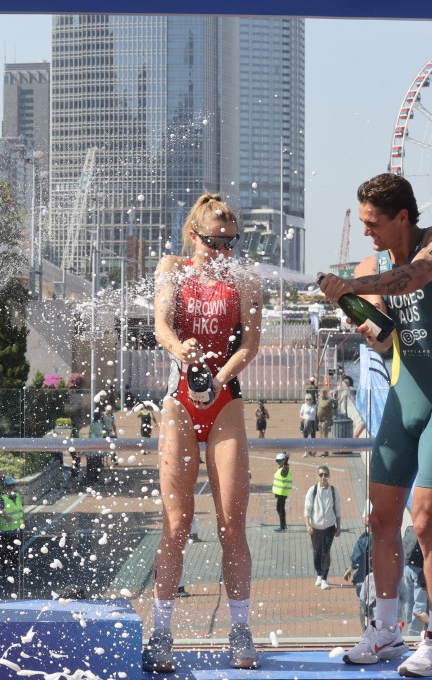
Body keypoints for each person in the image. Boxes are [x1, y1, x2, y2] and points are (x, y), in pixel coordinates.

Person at [319, 173, 432, 676]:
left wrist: (354, 285)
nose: (367, 233)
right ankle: (385, 631)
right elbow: (384, 338)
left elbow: (415, 278)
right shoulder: (373, 263)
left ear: (402, 216)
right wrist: (360, 316)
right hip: (402, 406)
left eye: (373, 223)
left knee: (426, 525)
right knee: (380, 522)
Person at [143, 193, 263, 672]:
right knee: (175, 524)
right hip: (179, 398)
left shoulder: (245, 277)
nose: (225, 253)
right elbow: (160, 324)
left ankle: (240, 630)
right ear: (193, 236)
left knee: (232, 523)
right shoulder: (172, 266)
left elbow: (250, 344)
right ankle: (161, 634)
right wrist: (182, 349)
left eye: (232, 242)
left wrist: (217, 378)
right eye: (216, 242)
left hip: (224, 397)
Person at [304, 465, 341, 589]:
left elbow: (338, 509)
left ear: (329, 476)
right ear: (317, 476)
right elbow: (307, 509)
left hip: (329, 527)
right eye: (321, 475)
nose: (323, 477)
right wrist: (307, 525)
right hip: (316, 527)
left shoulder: (334, 491)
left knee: (326, 552)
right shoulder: (312, 490)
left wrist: (339, 526)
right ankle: (319, 574)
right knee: (316, 552)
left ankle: (324, 578)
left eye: (325, 474)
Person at [0, 476, 24, 573]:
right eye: (9, 486)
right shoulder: (3, 498)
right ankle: (5, 566)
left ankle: (14, 565)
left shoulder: (17, 496)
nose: (12, 488)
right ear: (6, 487)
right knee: (6, 549)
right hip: (6, 529)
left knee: (16, 549)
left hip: (18, 528)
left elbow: (20, 510)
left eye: (13, 486)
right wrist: (7, 517)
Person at [272, 452, 292, 532]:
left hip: (282, 492)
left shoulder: (285, 468)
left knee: (280, 509)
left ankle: (282, 527)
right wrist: (285, 459)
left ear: (283, 461)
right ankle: (283, 525)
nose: (278, 462)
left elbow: (284, 471)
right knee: (280, 509)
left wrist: (286, 461)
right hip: (280, 492)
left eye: (280, 461)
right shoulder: (282, 467)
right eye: (277, 461)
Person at [316, 390, 336, 456]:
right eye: (321, 393)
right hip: (320, 421)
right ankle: (323, 451)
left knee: (325, 436)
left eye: (323, 393)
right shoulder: (319, 401)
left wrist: (328, 418)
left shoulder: (328, 401)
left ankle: (325, 452)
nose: (321, 394)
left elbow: (332, 411)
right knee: (321, 437)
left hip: (325, 421)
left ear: (325, 394)